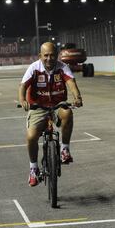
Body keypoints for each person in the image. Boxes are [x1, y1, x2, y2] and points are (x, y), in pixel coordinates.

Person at [19, 42, 83, 187]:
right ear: (40, 56)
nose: (49, 58)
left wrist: (77, 97)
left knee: (67, 113)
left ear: (57, 55)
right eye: (46, 55)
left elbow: (71, 83)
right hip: (38, 107)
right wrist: (23, 100)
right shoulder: (34, 68)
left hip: (57, 105)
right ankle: (33, 169)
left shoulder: (62, 67)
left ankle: (64, 149)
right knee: (31, 137)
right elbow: (23, 86)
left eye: (52, 55)